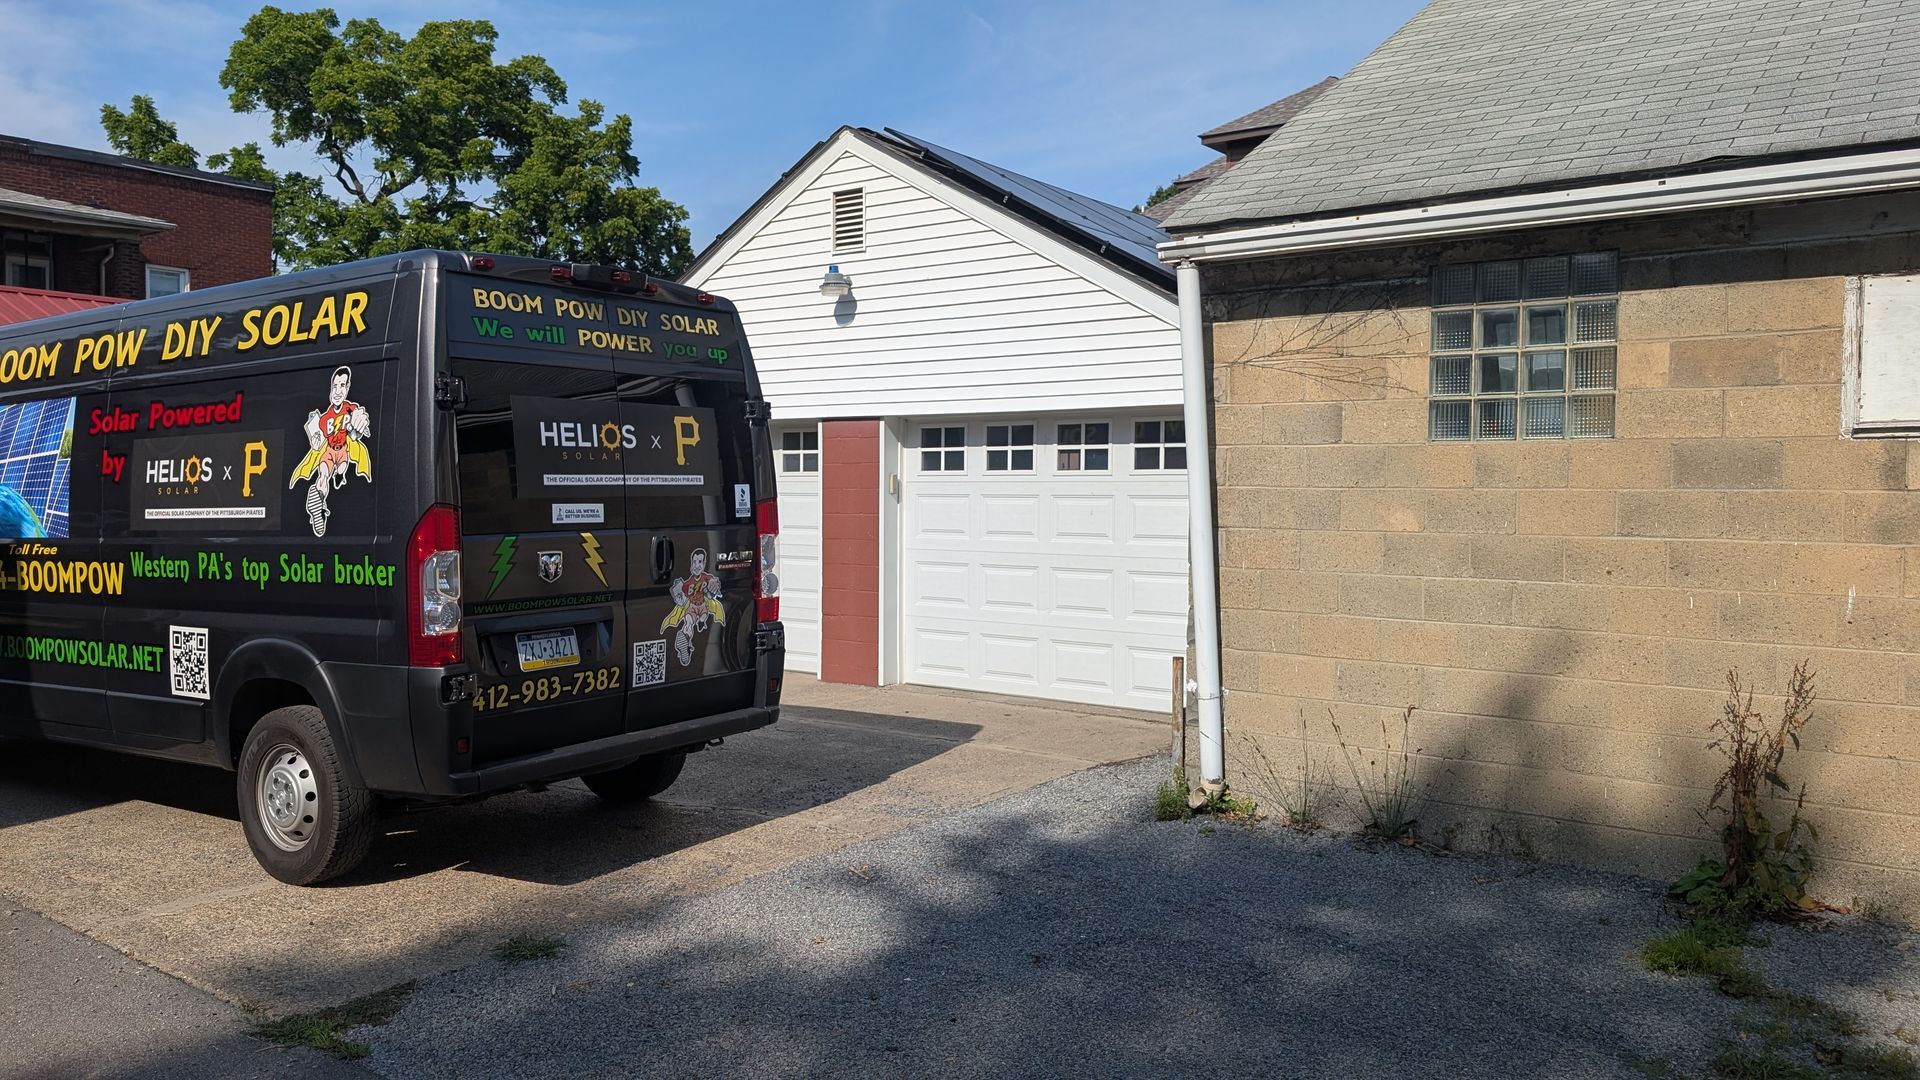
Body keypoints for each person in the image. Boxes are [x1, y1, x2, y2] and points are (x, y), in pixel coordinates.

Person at [288, 366, 372, 537]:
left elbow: (360, 424)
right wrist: (315, 441)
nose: (337, 390)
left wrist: (360, 423)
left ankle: (338, 477)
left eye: (342, 386)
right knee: (323, 475)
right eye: (335, 386)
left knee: (341, 470)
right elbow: (318, 440)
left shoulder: (350, 409)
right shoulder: (325, 418)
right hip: (328, 451)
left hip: (343, 451)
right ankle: (318, 503)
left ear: (348, 388)